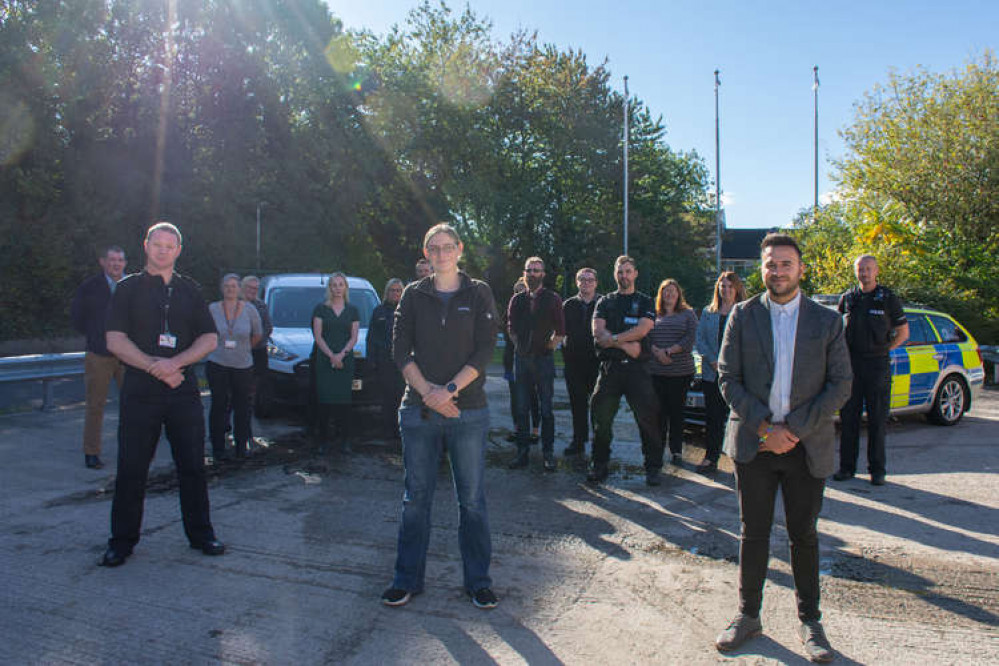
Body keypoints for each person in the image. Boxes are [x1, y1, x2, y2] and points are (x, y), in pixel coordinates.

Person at [714, 233, 851, 662]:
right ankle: (747, 615)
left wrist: (792, 428)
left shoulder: (827, 321)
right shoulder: (742, 314)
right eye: (771, 264)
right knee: (752, 534)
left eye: (786, 264)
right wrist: (763, 428)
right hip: (754, 444)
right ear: (763, 269)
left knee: (803, 536)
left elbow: (841, 384)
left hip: (805, 446)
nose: (777, 271)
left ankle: (811, 623)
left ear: (800, 269)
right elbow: (726, 377)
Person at [382, 222, 499, 610]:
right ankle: (406, 579)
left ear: (460, 249)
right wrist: (428, 395)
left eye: (448, 246)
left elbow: (484, 352)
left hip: (468, 411)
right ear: (426, 253)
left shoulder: (479, 292)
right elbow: (400, 351)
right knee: (416, 500)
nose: (442, 253)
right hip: (418, 411)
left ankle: (478, 582)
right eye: (435, 248)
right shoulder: (413, 296)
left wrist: (447, 391)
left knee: (472, 501)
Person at [99, 222, 224, 567]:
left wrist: (176, 364)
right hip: (141, 390)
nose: (163, 250)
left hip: (182, 390)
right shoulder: (126, 289)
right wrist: (154, 366)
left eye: (170, 245)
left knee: (193, 467)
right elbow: (115, 340)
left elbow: (209, 339)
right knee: (132, 468)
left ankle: (202, 535)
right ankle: (121, 543)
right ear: (146, 245)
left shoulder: (190, 291)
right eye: (158, 244)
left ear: (179, 250)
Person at [588, 256, 663, 487]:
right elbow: (598, 334)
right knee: (601, 420)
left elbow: (643, 330)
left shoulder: (645, 301)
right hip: (610, 370)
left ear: (635, 273)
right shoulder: (605, 302)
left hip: (637, 371)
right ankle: (599, 465)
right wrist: (627, 344)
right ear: (614, 274)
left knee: (648, 420)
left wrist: (615, 339)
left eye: (628, 271)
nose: (624, 276)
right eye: (620, 272)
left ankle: (652, 468)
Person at [834, 255, 909, 486]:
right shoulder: (848, 298)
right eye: (860, 269)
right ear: (855, 272)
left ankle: (877, 471)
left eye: (868, 269)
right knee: (849, 420)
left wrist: (885, 349)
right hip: (851, 366)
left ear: (876, 271)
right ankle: (846, 468)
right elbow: (837, 331)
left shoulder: (887, 298)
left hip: (877, 365)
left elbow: (903, 332)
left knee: (877, 420)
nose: (864, 273)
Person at [70, 245, 127, 469]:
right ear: (102, 262)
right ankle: (91, 452)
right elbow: (77, 317)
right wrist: (96, 336)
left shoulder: (132, 286)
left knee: (133, 405)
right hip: (99, 355)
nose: (116, 264)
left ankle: (132, 450)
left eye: (120, 260)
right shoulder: (90, 287)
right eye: (112, 260)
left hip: (128, 357)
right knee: (95, 406)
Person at [507, 257, 565, 471]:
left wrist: (549, 347)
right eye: (529, 270)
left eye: (537, 270)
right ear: (524, 273)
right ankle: (522, 452)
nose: (533, 273)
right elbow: (511, 329)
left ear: (543, 274)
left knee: (546, 408)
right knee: (521, 408)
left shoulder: (552, 298)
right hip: (521, 360)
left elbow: (560, 330)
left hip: (543, 359)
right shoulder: (517, 300)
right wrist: (520, 347)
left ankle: (548, 452)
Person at [694, 271, 747, 475]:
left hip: (736, 376)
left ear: (737, 289)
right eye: (722, 286)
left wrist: (729, 364)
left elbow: (749, 343)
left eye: (730, 286)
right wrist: (713, 360)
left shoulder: (744, 312)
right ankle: (711, 458)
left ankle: (738, 460)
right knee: (713, 418)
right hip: (712, 373)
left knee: (737, 419)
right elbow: (700, 340)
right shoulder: (709, 312)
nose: (726, 290)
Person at [206, 273, 262, 460]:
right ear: (222, 288)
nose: (230, 289)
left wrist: (244, 349)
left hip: (242, 365)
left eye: (234, 286)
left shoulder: (250, 310)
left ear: (239, 289)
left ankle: (241, 445)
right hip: (218, 363)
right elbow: (205, 334)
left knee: (242, 406)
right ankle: (218, 447)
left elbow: (257, 334)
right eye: (227, 286)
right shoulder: (212, 309)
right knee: (219, 406)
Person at [648, 279, 698, 467]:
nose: (669, 294)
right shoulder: (653, 314)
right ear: (661, 294)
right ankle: (657, 450)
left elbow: (691, 338)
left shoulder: (688, 313)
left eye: (673, 291)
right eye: (666, 291)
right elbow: (645, 336)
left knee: (676, 413)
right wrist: (658, 353)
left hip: (680, 373)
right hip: (656, 372)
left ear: (679, 294)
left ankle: (676, 450)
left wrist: (669, 351)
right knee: (658, 414)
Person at [311, 272, 360, 453]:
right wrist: (332, 355)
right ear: (329, 288)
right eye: (334, 285)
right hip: (325, 360)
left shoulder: (353, 310)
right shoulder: (320, 309)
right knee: (325, 401)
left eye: (341, 285)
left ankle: (345, 440)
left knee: (344, 402)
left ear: (346, 287)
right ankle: (323, 441)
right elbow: (318, 336)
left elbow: (354, 337)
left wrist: (341, 355)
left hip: (345, 360)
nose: (337, 288)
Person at [561, 267, 600, 457]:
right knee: (577, 405)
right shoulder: (568, 305)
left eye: (590, 280)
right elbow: (560, 332)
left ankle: (598, 442)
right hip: (574, 364)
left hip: (597, 364)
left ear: (596, 283)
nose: (586, 283)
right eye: (582, 280)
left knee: (598, 406)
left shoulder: (604, 303)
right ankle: (579, 441)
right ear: (577, 282)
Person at [367, 278, 406, 438]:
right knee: (387, 398)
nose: (395, 293)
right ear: (387, 292)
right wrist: (372, 361)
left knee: (402, 397)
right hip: (384, 362)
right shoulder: (379, 311)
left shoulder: (408, 311)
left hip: (404, 364)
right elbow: (371, 338)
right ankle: (387, 432)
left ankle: (401, 432)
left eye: (398, 290)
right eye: (392, 290)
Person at [503, 278, 540, 444]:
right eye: (516, 291)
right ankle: (517, 428)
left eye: (521, 291)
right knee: (515, 397)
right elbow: (506, 333)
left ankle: (535, 430)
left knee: (532, 396)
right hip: (511, 360)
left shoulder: (535, 311)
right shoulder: (509, 312)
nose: (518, 294)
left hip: (531, 360)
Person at [240, 275, 273, 388]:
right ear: (243, 287)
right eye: (250, 287)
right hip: (236, 352)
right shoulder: (233, 304)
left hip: (257, 352)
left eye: (255, 288)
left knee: (258, 387)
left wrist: (254, 343)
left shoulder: (261, 306)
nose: (253, 291)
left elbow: (267, 328)